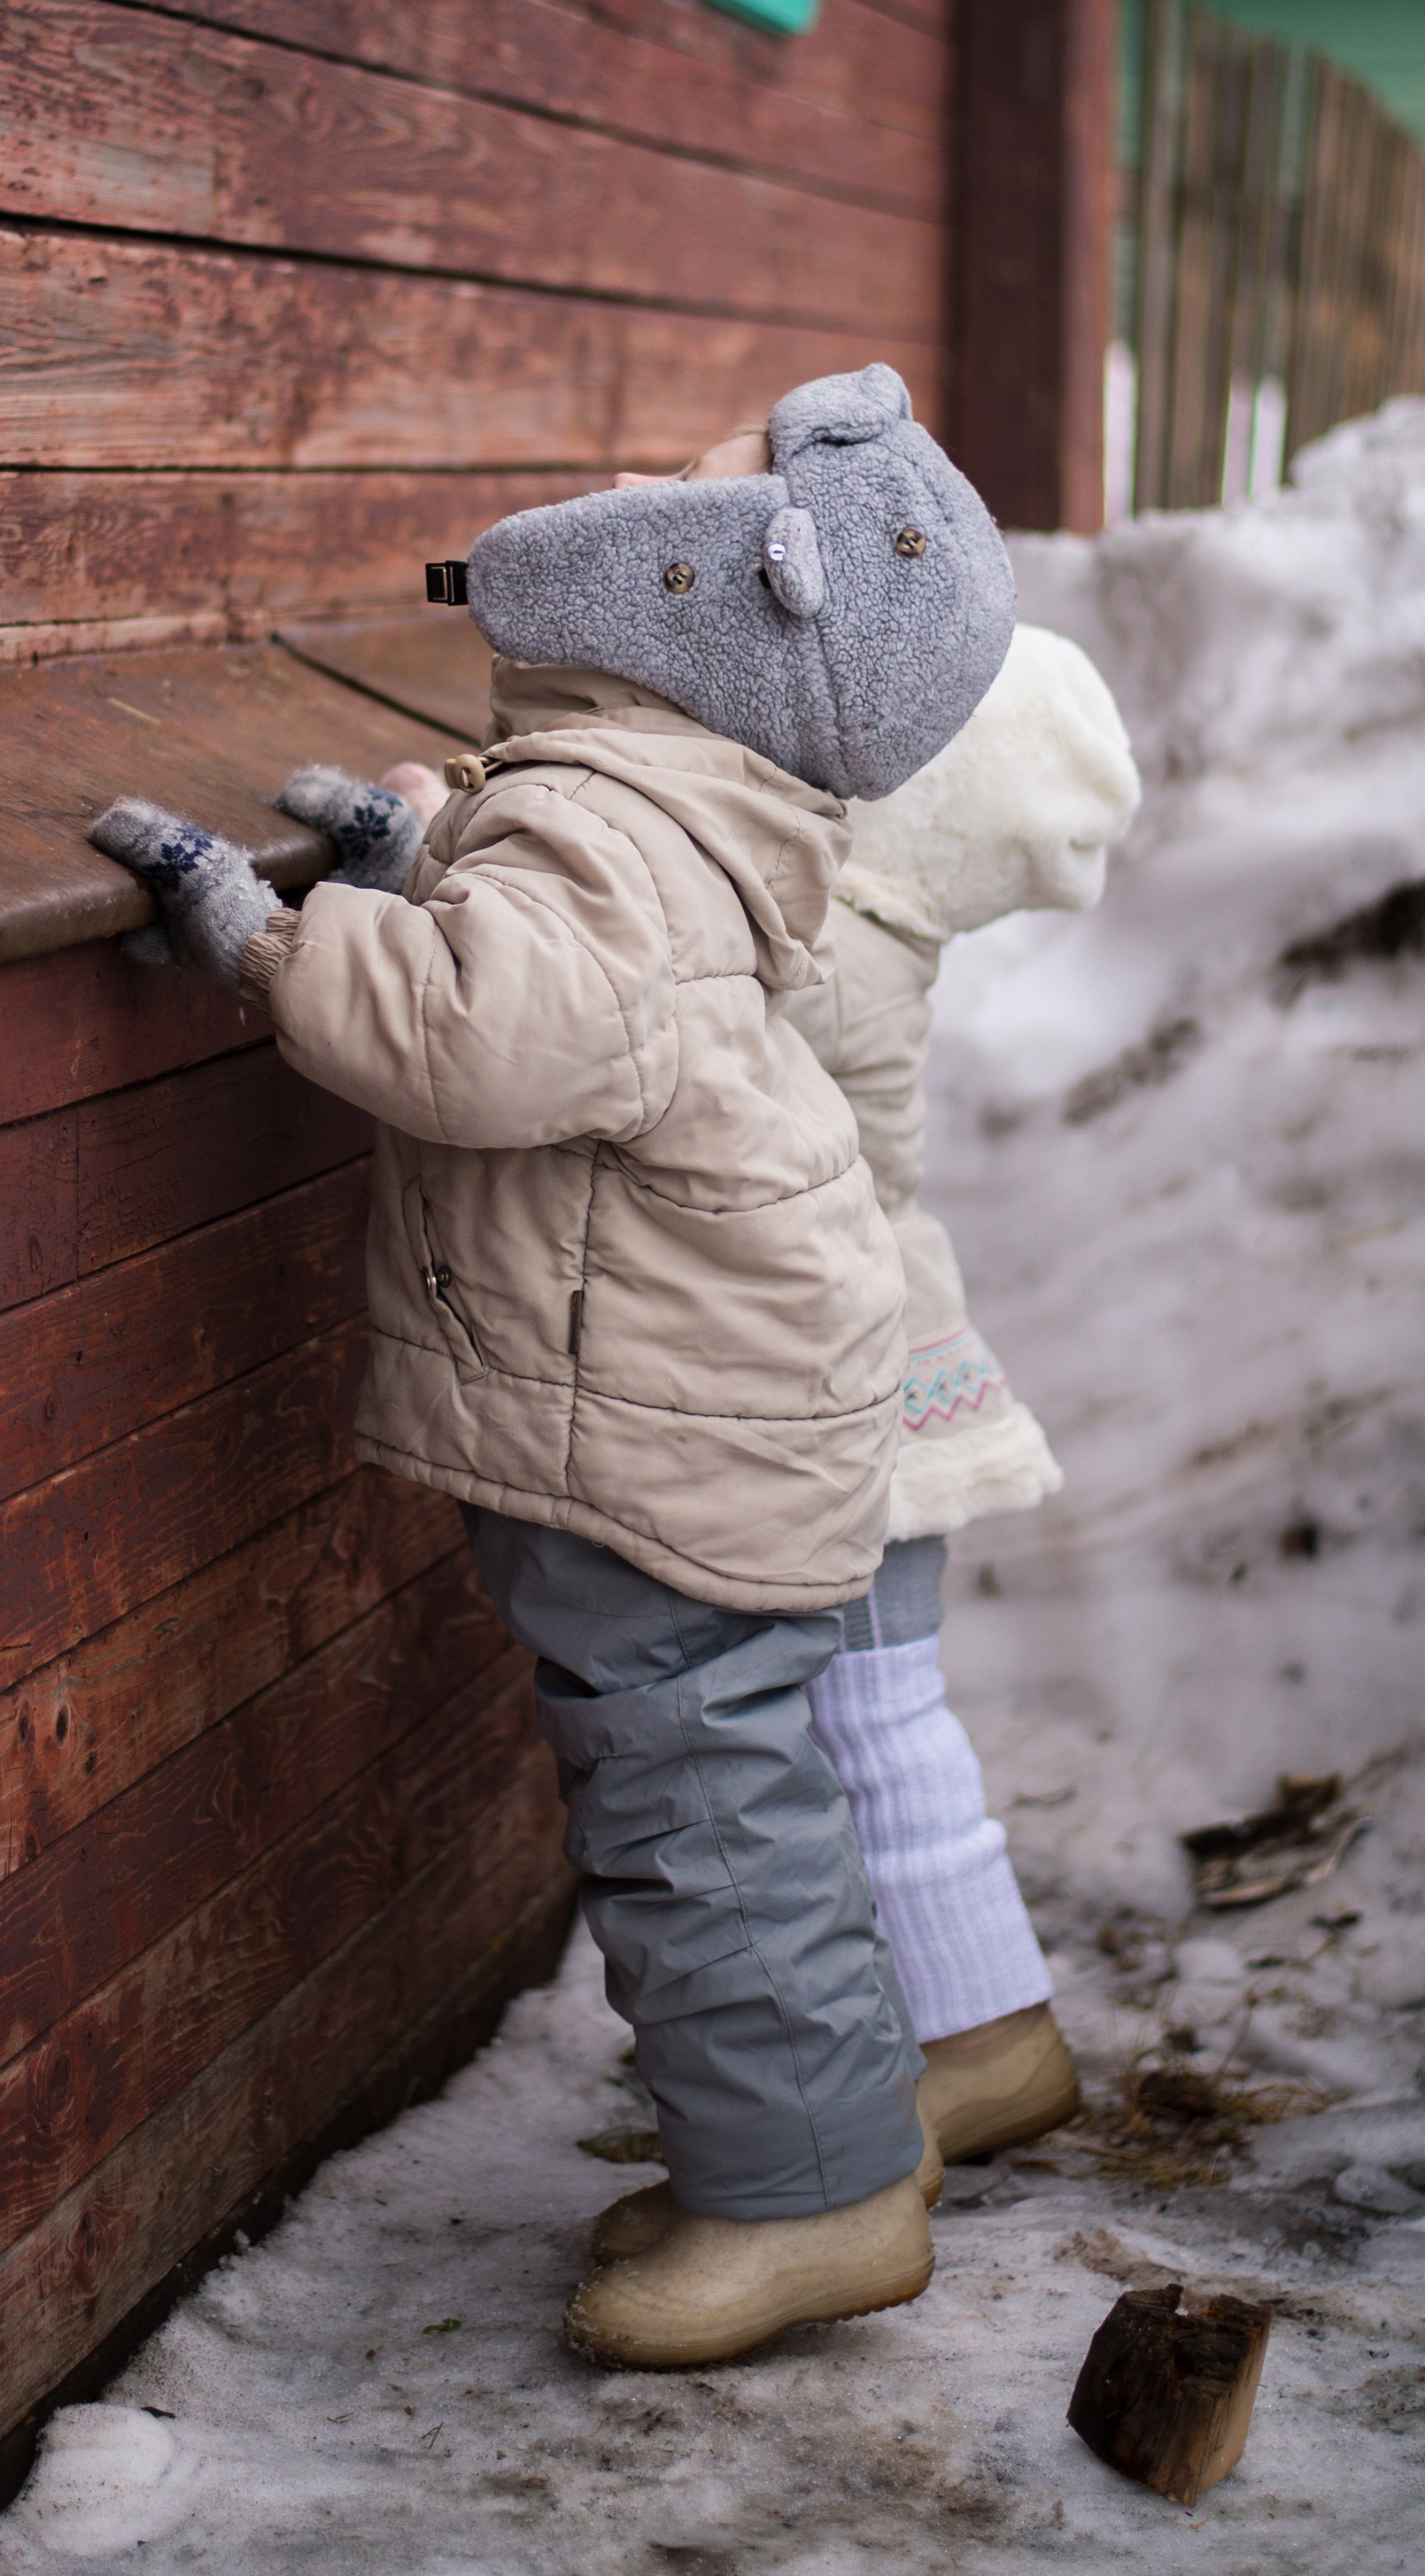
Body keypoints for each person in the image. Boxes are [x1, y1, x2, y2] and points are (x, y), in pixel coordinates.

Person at [89, 365, 1014, 2371]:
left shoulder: (620, 814)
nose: (622, 484)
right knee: (728, 1781)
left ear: (723, 593)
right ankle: (821, 2154)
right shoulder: (657, 799)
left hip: (671, 1409)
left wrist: (261, 939)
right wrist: (412, 882)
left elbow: (487, 1039)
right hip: (706, 1369)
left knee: (695, 1798)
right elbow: (555, 984)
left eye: (672, 483)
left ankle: (810, 2199)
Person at [585, 619, 1141, 2279]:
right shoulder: (869, 931)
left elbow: (643, 1023)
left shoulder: (829, 949)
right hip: (886, 1376)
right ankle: (982, 2031)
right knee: (880, 1724)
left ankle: (955, 2053)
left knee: (839, 1726)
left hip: (842, 1394)